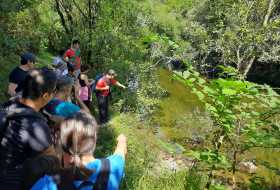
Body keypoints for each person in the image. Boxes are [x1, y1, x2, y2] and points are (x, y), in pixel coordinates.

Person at [31, 111, 127, 190]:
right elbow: (121, 151)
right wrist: (122, 139)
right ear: (94, 140)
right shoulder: (112, 167)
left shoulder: (47, 185)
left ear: (61, 141)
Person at [0, 68, 58, 189]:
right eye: (53, 91)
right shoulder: (37, 126)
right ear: (46, 95)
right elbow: (53, 159)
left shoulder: (10, 103)